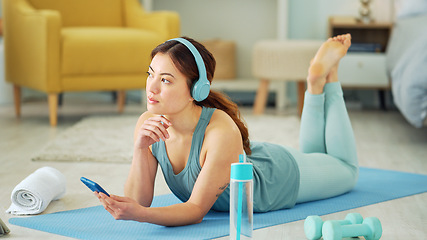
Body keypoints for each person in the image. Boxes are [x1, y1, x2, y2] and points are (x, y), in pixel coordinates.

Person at [95, 34, 358, 227]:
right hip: (254, 158)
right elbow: (138, 200)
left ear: (196, 91)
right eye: (150, 74)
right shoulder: (148, 124)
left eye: (165, 80)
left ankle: (325, 79)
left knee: (346, 169)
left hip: (278, 180)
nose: (151, 88)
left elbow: (195, 210)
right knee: (316, 154)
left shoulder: (219, 131)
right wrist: (140, 147)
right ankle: (315, 82)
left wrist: (140, 215)